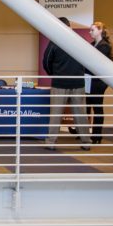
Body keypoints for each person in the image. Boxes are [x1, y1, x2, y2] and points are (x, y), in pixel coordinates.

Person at [42, 17, 92, 151]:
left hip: (59, 83)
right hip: (78, 82)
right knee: (80, 114)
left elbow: (46, 61)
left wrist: (54, 74)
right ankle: (86, 142)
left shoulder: (55, 41)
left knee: (56, 114)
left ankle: (51, 142)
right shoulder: (81, 40)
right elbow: (89, 60)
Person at [86, 21, 113, 145]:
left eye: (92, 30)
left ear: (100, 31)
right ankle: (85, 133)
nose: (90, 32)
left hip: (98, 81)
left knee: (97, 107)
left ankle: (96, 135)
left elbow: (95, 62)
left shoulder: (104, 46)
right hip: (89, 79)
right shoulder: (93, 44)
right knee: (87, 106)